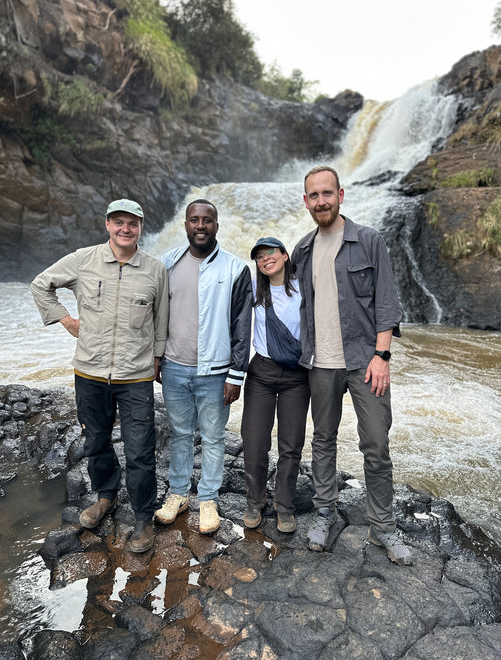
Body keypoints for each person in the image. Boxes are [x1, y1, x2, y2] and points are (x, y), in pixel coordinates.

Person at [31, 198, 169, 554]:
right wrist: (64, 319)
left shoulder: (155, 269)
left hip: (136, 376)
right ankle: (105, 496)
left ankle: (143, 517)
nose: (126, 229)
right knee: (96, 441)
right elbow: (41, 284)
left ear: (141, 228)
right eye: (119, 222)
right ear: (107, 224)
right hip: (90, 372)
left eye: (133, 223)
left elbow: (162, 320)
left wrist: (156, 359)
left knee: (140, 450)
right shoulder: (83, 259)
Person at [291, 166, 413, 565]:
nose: (321, 201)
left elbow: (387, 302)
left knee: (376, 445)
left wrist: (382, 357)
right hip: (320, 364)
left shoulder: (369, 241)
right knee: (323, 440)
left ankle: (383, 528)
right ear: (306, 201)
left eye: (327, 193)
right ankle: (325, 513)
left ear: (340, 195)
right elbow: (291, 304)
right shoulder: (303, 250)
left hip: (365, 362)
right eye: (314, 195)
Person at [155, 199, 252, 534]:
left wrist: (236, 375)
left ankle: (208, 499)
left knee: (213, 437)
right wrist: (156, 358)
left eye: (207, 220)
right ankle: (179, 494)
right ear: (185, 225)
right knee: (179, 434)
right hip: (174, 367)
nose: (200, 226)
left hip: (215, 371)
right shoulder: (166, 264)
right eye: (194, 220)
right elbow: (156, 316)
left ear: (216, 226)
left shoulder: (236, 269)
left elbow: (243, 325)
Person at [241, 237, 310, 533]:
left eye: (270, 252)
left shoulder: (305, 288)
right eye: (259, 256)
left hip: (298, 376)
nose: (265, 258)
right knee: (255, 441)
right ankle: (254, 501)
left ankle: (285, 506)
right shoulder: (253, 293)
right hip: (262, 373)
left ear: (284, 255)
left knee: (291, 444)